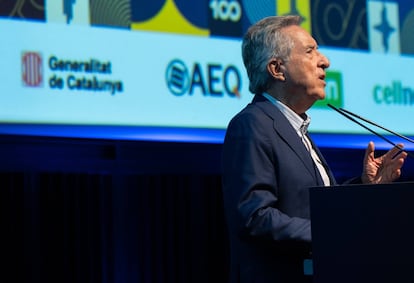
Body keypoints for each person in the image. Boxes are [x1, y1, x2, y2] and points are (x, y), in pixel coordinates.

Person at [221, 15, 407, 283]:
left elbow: (310, 207)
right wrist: (333, 231)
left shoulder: (295, 126)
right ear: (276, 68)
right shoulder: (252, 125)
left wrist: (366, 186)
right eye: (310, 51)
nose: (325, 61)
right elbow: (254, 217)